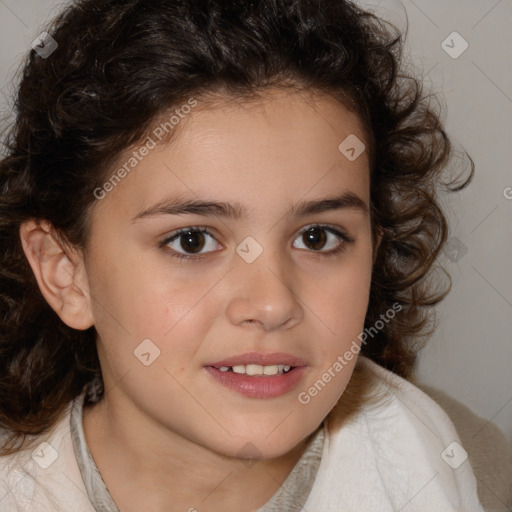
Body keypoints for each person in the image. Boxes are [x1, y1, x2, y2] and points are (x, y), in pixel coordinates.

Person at [0, 0, 488, 510]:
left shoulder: (441, 464)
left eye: (318, 237)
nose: (273, 303)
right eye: (192, 241)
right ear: (66, 273)